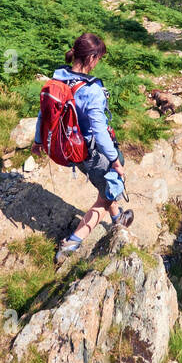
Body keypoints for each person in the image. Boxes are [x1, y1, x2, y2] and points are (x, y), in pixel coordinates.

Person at [33, 33, 133, 261]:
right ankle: (71, 243)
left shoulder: (57, 80)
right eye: (99, 59)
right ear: (92, 59)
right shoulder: (92, 90)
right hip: (91, 153)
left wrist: (38, 141)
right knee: (106, 196)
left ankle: (119, 220)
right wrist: (116, 161)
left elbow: (44, 114)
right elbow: (99, 131)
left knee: (105, 186)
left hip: (71, 149)